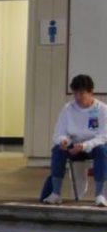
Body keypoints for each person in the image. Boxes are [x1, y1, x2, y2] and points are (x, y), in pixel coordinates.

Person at [41, 74, 107, 207]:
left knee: (102, 150)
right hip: (73, 147)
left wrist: (84, 146)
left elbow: (103, 136)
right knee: (57, 150)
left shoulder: (102, 110)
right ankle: (55, 193)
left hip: (93, 147)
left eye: (81, 93)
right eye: (75, 94)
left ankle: (100, 195)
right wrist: (63, 140)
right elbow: (58, 133)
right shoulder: (67, 109)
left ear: (91, 92)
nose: (77, 98)